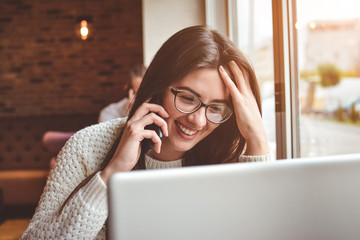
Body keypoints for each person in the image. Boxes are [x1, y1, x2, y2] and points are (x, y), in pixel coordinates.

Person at [21, 25, 273, 239]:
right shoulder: (87, 147)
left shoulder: (227, 159)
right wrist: (111, 174)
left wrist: (258, 141)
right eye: (187, 98)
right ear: (160, 86)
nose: (198, 120)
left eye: (216, 107)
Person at [43, 63, 146, 169]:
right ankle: (77, 139)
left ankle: (62, 153)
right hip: (94, 143)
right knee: (49, 139)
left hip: (90, 141)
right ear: (127, 90)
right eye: (138, 92)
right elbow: (108, 149)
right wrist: (132, 112)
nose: (142, 97)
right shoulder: (109, 112)